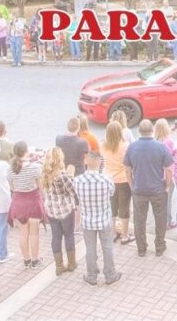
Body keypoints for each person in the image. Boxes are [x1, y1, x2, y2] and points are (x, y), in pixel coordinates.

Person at [124, 119, 173, 257]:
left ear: (139, 131)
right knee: (160, 218)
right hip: (158, 189)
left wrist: (131, 185)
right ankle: (159, 246)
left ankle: (141, 248)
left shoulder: (132, 147)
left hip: (139, 189)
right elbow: (169, 169)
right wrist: (167, 185)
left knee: (139, 220)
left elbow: (127, 169)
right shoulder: (161, 146)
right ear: (152, 130)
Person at [74, 151, 121, 286]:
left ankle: (91, 275)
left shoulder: (77, 181)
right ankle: (110, 274)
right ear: (99, 162)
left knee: (90, 248)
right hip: (104, 219)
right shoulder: (107, 180)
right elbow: (112, 193)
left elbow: (77, 196)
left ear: (86, 162)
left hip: (87, 220)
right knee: (107, 247)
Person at [41, 147, 78, 276]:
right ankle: (72, 263)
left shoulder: (45, 172)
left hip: (51, 209)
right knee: (68, 235)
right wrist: (71, 175)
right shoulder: (63, 175)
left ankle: (59, 266)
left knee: (56, 237)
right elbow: (72, 191)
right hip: (65, 210)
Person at [7, 141, 45, 268]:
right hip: (33, 201)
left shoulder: (10, 168)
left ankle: (26, 260)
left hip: (18, 203)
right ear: (26, 151)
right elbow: (40, 186)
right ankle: (35, 260)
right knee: (34, 234)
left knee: (23, 233)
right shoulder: (35, 167)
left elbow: (12, 187)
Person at [100, 122, 132, 245]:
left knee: (112, 208)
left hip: (109, 180)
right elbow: (129, 164)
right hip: (123, 180)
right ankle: (124, 235)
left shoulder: (103, 145)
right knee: (124, 209)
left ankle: (113, 233)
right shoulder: (125, 146)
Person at [154, 119, 176, 230]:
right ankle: (168, 222)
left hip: (156, 176)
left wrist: (170, 130)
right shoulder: (169, 142)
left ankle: (160, 221)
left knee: (159, 201)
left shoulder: (154, 141)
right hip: (167, 176)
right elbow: (173, 154)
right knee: (168, 200)